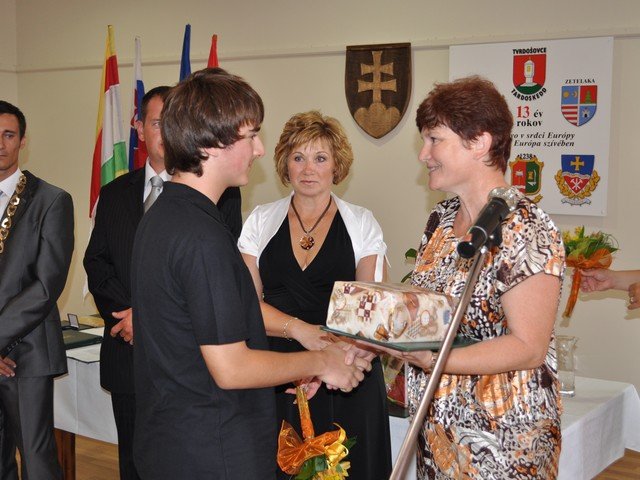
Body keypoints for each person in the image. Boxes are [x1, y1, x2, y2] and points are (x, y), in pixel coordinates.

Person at [130, 69, 370, 479]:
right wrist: (322, 361)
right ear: (211, 142)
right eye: (251, 135)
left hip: (171, 439)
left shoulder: (163, 215)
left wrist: (307, 359)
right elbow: (232, 367)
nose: (259, 149)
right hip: (212, 450)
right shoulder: (201, 237)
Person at [387, 77, 565, 479]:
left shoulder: (527, 227)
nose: (423, 155)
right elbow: (427, 312)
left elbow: (528, 347)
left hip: (503, 439)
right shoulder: (441, 218)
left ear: (480, 142)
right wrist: (374, 336)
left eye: (434, 140)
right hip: (439, 431)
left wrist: (436, 361)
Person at [84, 84, 245, 480]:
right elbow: (97, 263)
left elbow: (220, 272)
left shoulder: (220, 195)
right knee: (132, 462)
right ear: (140, 128)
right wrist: (129, 316)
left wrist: (150, 317)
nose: (166, 132)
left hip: (188, 358)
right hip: (127, 353)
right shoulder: (114, 193)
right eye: (158, 123)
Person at [239, 110, 392, 479]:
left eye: (320, 158)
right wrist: (303, 334)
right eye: (298, 157)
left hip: (347, 371)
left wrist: (329, 362)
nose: (308, 169)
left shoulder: (362, 223)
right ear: (285, 164)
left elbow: (370, 314)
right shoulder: (259, 220)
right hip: (278, 374)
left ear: (337, 166)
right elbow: (246, 305)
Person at [0, 100, 74, 479]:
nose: (0, 143)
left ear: (23, 141)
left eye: (8, 135)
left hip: (26, 353)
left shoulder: (51, 201)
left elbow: (46, 286)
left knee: (36, 458)